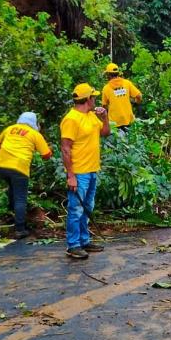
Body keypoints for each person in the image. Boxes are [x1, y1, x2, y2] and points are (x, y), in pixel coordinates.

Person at [60, 83, 111, 259]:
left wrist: (105, 117)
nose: (95, 99)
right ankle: (73, 245)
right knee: (76, 209)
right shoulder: (71, 119)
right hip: (79, 172)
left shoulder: (90, 116)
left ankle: (84, 240)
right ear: (88, 99)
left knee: (87, 207)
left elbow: (105, 132)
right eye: (94, 97)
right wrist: (71, 175)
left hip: (91, 170)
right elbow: (65, 148)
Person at [0, 112, 52, 239]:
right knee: (21, 198)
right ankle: (20, 228)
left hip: (1, 165)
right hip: (19, 168)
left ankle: (11, 215)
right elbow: (47, 155)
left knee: (12, 189)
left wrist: (2, 155)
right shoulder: (34, 134)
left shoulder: (9, 129)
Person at [101, 63, 142, 133]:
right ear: (118, 73)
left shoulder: (106, 88)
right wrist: (136, 103)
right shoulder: (127, 83)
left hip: (114, 123)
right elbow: (139, 96)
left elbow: (104, 106)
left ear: (108, 75)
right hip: (128, 120)